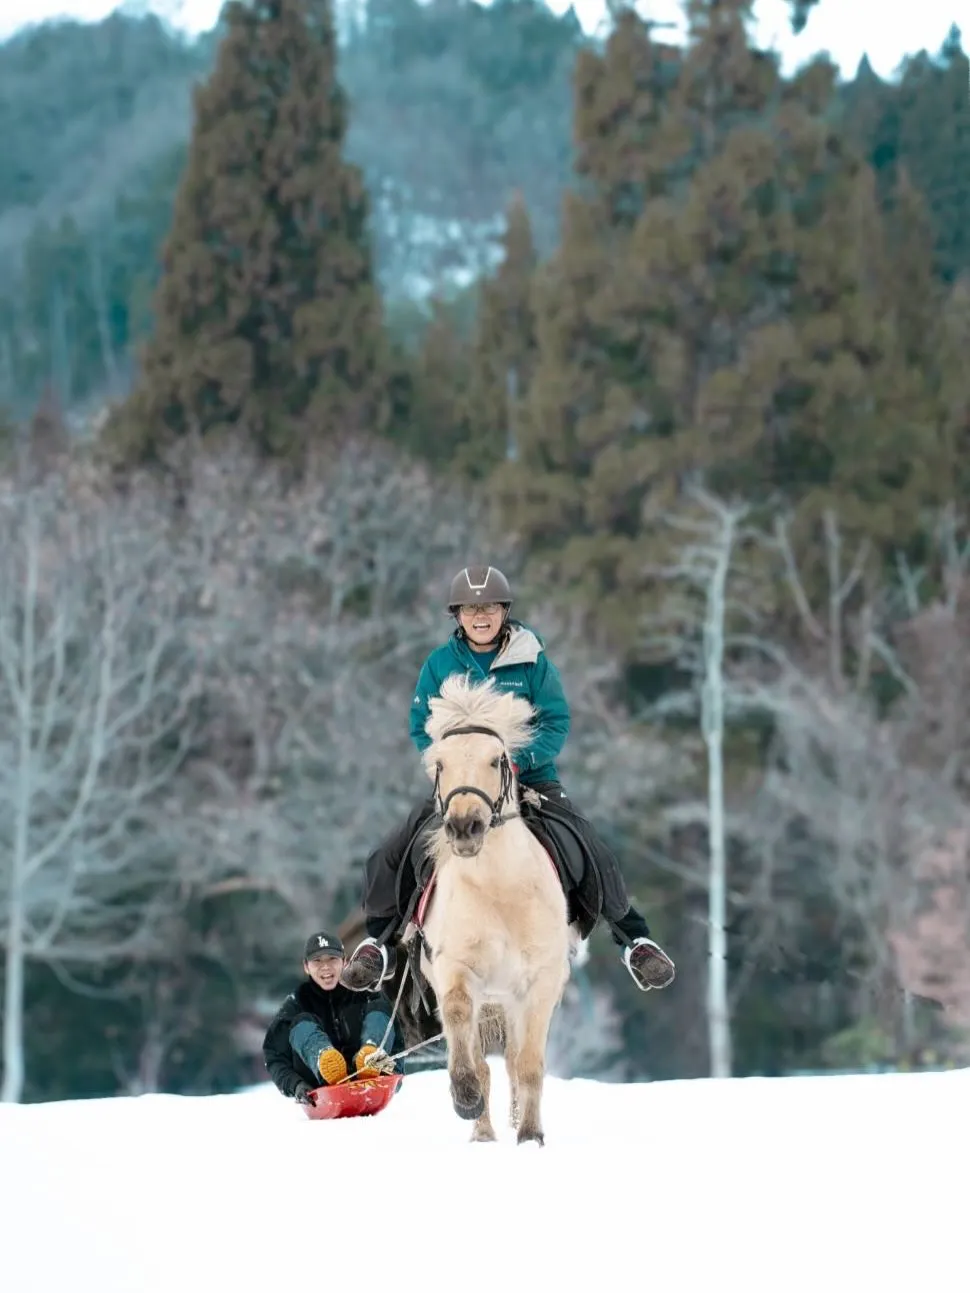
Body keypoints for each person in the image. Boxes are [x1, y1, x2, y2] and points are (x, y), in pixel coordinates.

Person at [340, 564, 676, 996]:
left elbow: (556, 720)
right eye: (471, 608)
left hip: (531, 780)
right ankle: (380, 943)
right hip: (462, 785)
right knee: (392, 850)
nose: (481, 616)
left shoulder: (531, 658)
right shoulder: (440, 664)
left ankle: (635, 942)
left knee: (592, 846)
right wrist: (451, 764)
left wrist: (516, 762)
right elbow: (420, 724)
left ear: (504, 612)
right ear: (457, 616)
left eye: (491, 607)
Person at [262, 929, 401, 1104]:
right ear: (306, 966)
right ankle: (325, 1061)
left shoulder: (366, 993)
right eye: (317, 961)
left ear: (345, 961)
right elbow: (274, 1055)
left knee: (378, 1009)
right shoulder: (296, 1003)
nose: (325, 967)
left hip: (374, 1075)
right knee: (302, 1023)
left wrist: (395, 1071)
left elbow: (395, 1035)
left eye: (332, 959)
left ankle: (371, 1056)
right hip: (321, 1087)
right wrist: (296, 1085)